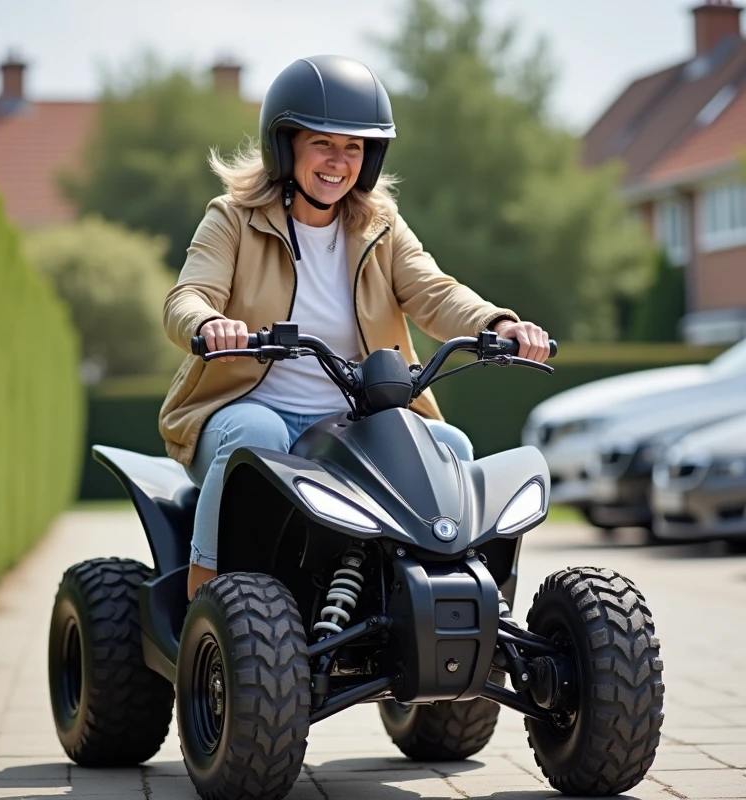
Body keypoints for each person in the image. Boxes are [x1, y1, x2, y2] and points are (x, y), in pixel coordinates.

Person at [160, 55, 551, 599]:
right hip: (248, 410)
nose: (337, 162)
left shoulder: (380, 226)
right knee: (259, 436)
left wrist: (498, 323)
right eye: (323, 143)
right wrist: (210, 323)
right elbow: (188, 296)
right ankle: (203, 606)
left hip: (353, 421)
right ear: (286, 144)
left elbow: (433, 291)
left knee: (451, 447)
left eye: (354, 147)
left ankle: (472, 609)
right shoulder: (232, 217)